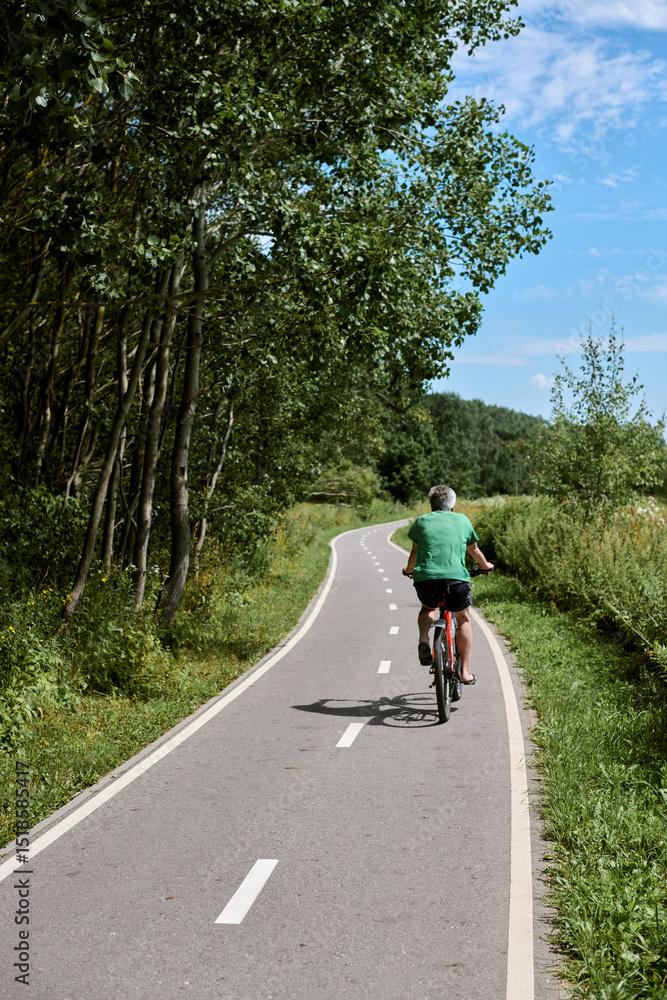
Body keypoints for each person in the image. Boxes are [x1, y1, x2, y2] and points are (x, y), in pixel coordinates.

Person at [402, 485, 493, 685]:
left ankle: (424, 639)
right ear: (452, 507)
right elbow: (474, 550)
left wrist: (409, 570)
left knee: (428, 608)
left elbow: (415, 553)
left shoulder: (421, 521)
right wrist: (485, 566)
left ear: (432, 505)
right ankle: (466, 672)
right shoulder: (462, 520)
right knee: (463, 618)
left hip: (426, 582)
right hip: (456, 582)